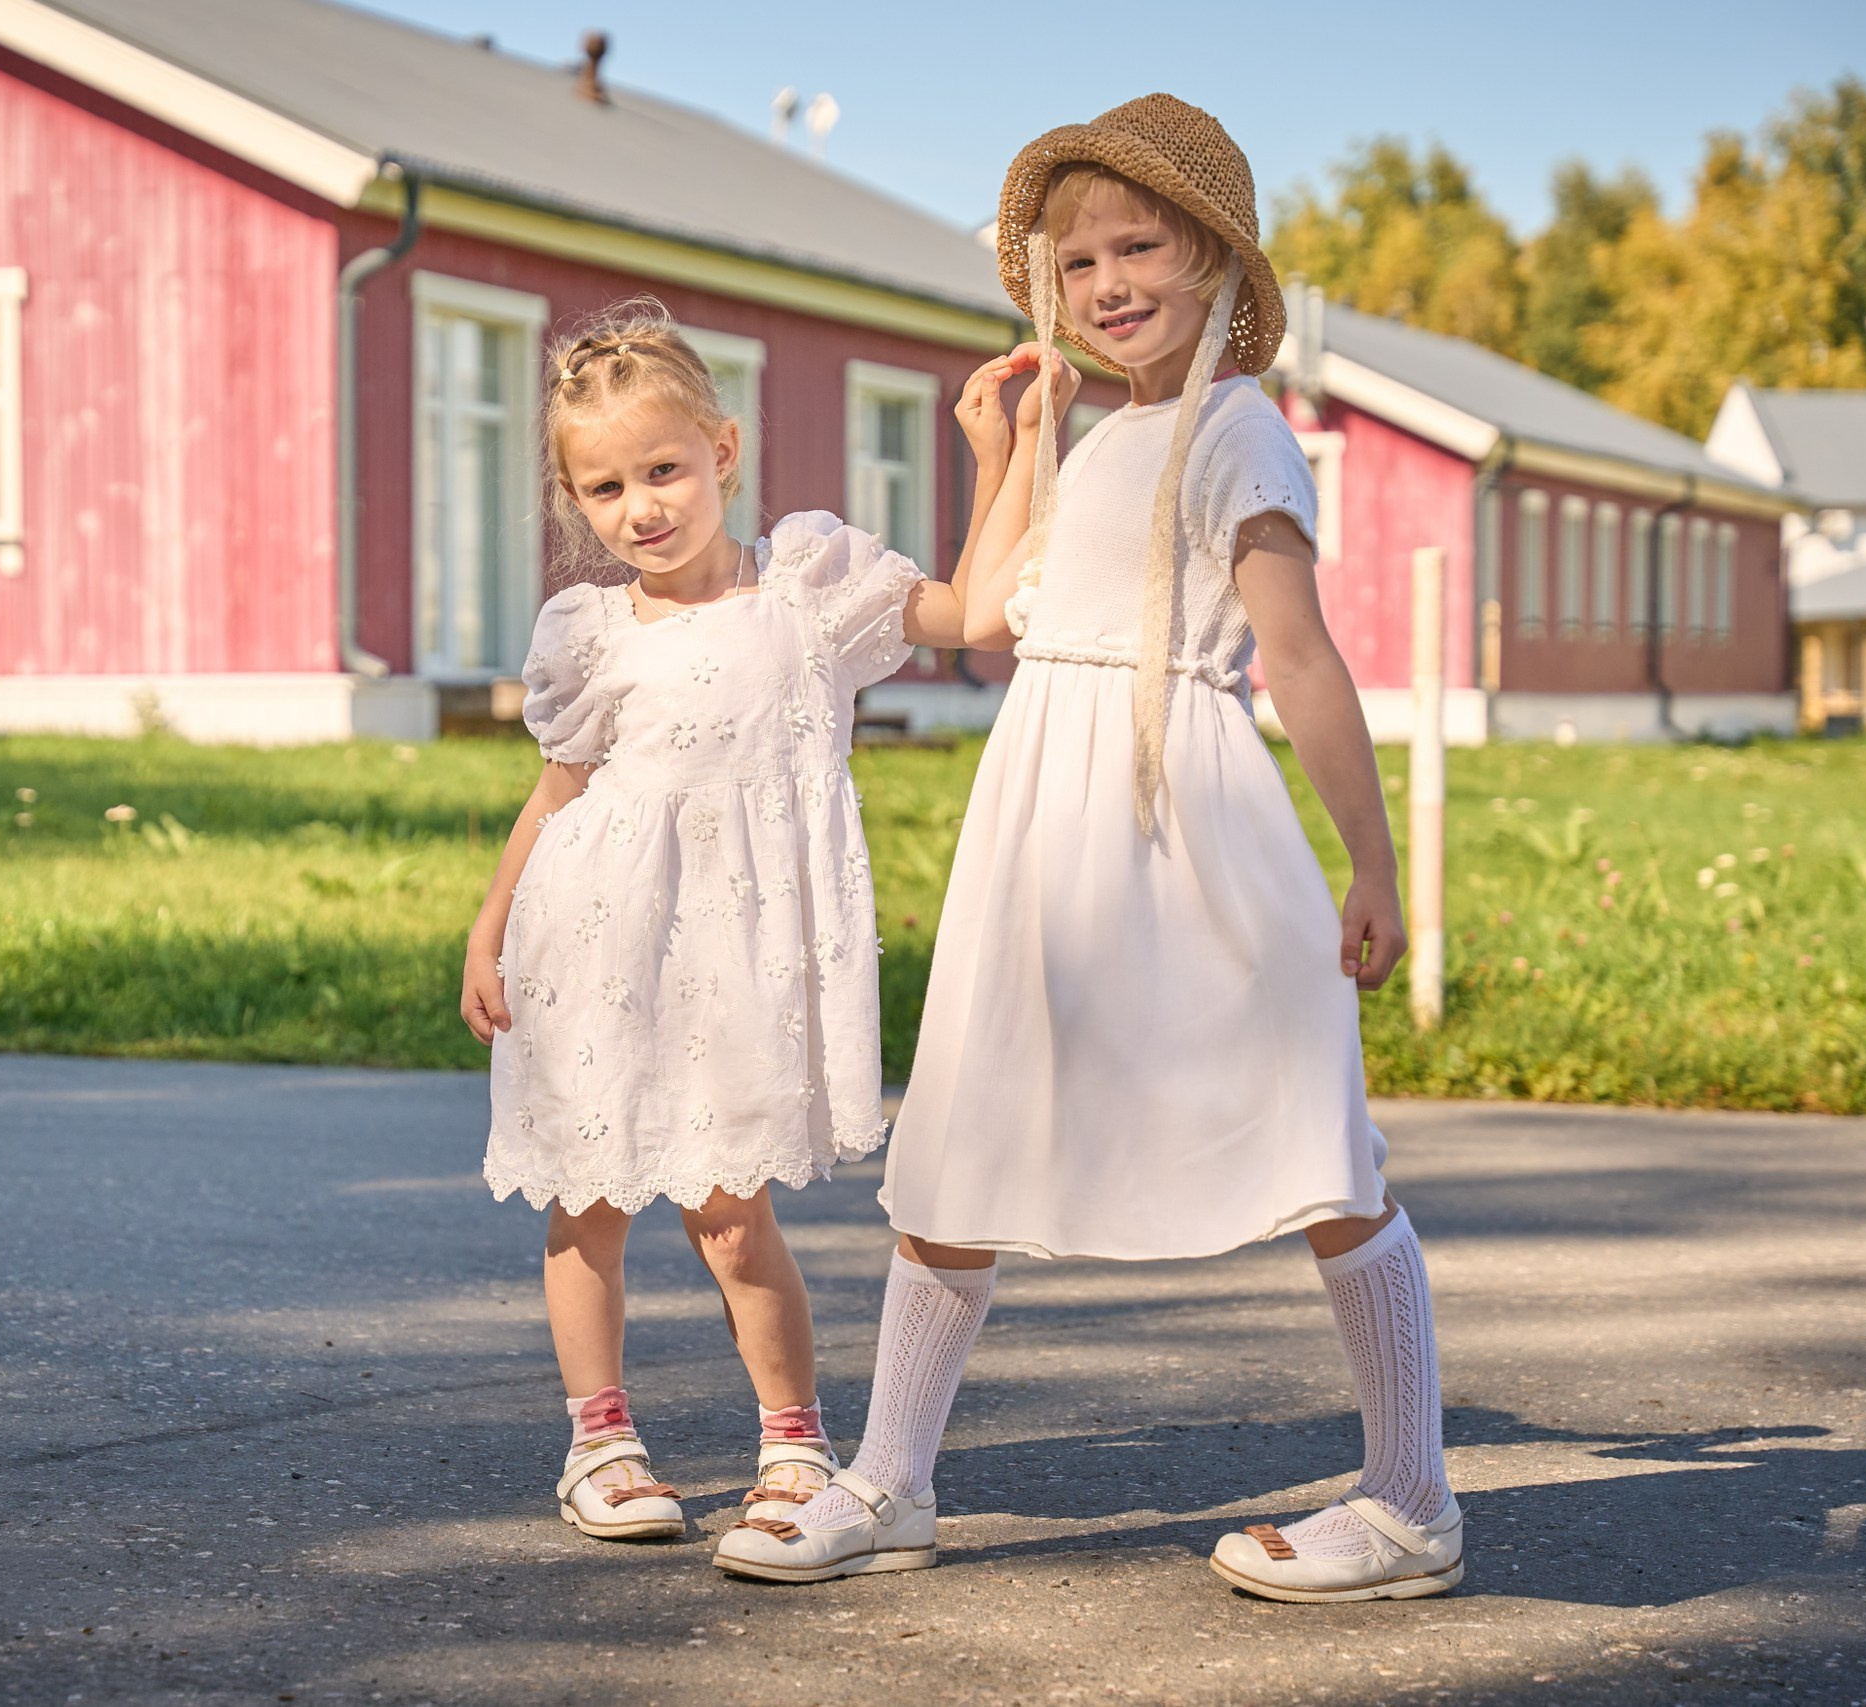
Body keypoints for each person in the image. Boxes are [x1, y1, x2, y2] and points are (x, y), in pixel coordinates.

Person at [716, 95, 1462, 1602]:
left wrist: (1372, 866)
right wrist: (1003, 449)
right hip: (1041, 828)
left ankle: (1413, 1497)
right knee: (959, 1137)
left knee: (1314, 1143)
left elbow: (1300, 658)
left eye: (1141, 247)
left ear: (1216, 265)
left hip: (1187, 818)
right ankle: (892, 1475)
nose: (1109, 280)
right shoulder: (1090, 434)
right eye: (1077, 262)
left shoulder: (1236, 427)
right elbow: (995, 626)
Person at [457, 303, 981, 1553]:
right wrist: (487, 929)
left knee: (731, 1212)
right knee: (587, 1197)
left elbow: (970, 617)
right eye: (603, 487)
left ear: (723, 452)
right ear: (573, 500)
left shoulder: (804, 590)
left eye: (662, 470)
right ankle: (600, 1443)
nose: (639, 506)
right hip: (590, 945)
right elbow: (559, 791)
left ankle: (794, 1441)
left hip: (729, 962)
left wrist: (1008, 452)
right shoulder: (589, 635)